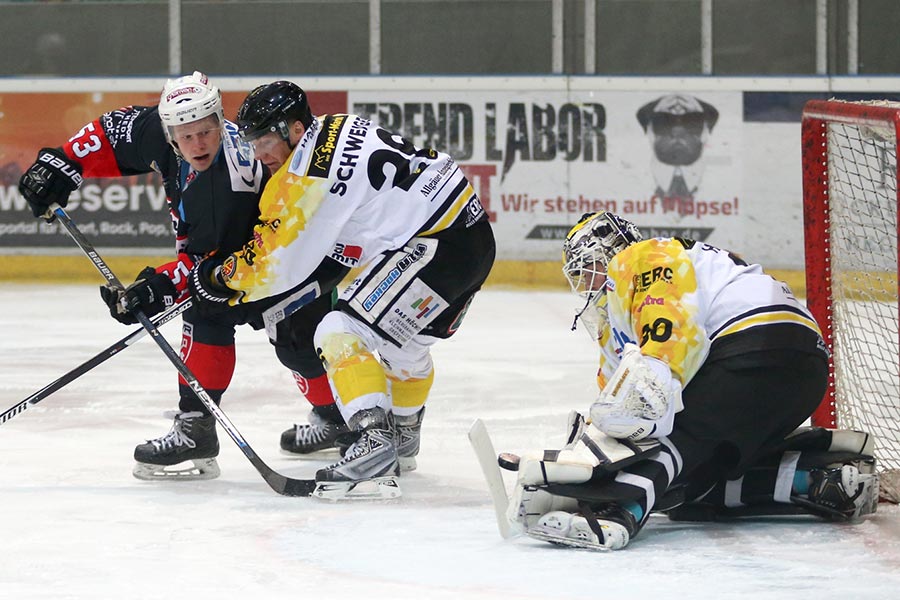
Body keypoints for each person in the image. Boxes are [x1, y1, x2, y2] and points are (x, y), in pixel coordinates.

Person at [17, 72, 349, 481]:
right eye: (186, 135)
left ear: (218, 120)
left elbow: (213, 266)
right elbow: (111, 131)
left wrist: (156, 288)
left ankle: (340, 418)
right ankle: (196, 429)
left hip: (289, 259)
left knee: (295, 344)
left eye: (207, 131)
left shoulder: (227, 183)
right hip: (243, 260)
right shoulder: (160, 131)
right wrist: (62, 162)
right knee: (204, 314)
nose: (198, 144)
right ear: (169, 130)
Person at [186, 80, 496, 499]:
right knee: (404, 346)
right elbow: (357, 226)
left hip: (434, 244)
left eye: (263, 139)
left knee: (338, 331)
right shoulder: (337, 125)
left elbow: (274, 266)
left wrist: (218, 279)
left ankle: (373, 445)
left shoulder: (301, 177)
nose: (258, 153)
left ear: (294, 129)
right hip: (471, 235)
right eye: (251, 140)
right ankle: (402, 440)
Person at [501, 211, 879, 550]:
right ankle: (816, 480)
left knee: (673, 439)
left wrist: (608, 465)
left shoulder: (641, 256)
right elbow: (614, 407)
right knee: (685, 491)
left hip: (755, 344)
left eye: (589, 266)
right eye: (580, 274)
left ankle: (615, 512)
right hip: (803, 369)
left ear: (611, 250)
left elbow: (668, 332)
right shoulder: (618, 317)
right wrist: (579, 459)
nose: (587, 280)